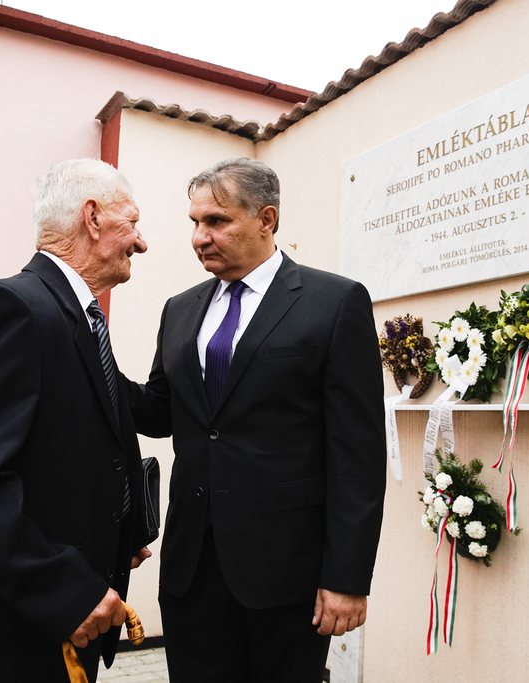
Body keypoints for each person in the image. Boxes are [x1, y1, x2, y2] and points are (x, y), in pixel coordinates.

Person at [130, 158, 386, 682]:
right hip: (192, 569)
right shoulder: (180, 309)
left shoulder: (333, 303)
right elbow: (161, 411)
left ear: (266, 219)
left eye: (217, 221)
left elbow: (358, 453)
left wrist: (348, 577)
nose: (200, 236)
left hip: (288, 573)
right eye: (195, 223)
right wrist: (91, 365)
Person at [0, 158, 152, 682]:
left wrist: (114, 532)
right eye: (132, 222)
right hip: (14, 639)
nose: (141, 242)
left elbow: (70, 441)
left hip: (62, 627)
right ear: (92, 218)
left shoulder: (77, 316)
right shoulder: (15, 307)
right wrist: (65, 590)